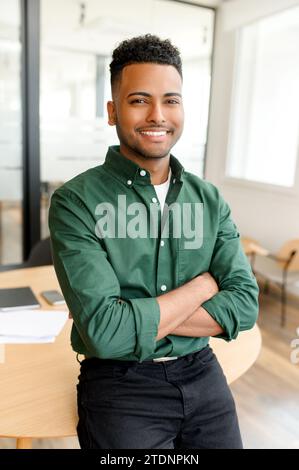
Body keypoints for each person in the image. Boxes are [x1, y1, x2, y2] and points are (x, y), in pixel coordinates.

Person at [49, 34, 259, 449]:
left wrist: (134, 317)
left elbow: (246, 306)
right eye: (139, 100)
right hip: (119, 385)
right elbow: (106, 334)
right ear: (113, 111)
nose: (157, 115)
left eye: (171, 100)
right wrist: (204, 286)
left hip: (201, 371)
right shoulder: (76, 201)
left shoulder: (209, 199)